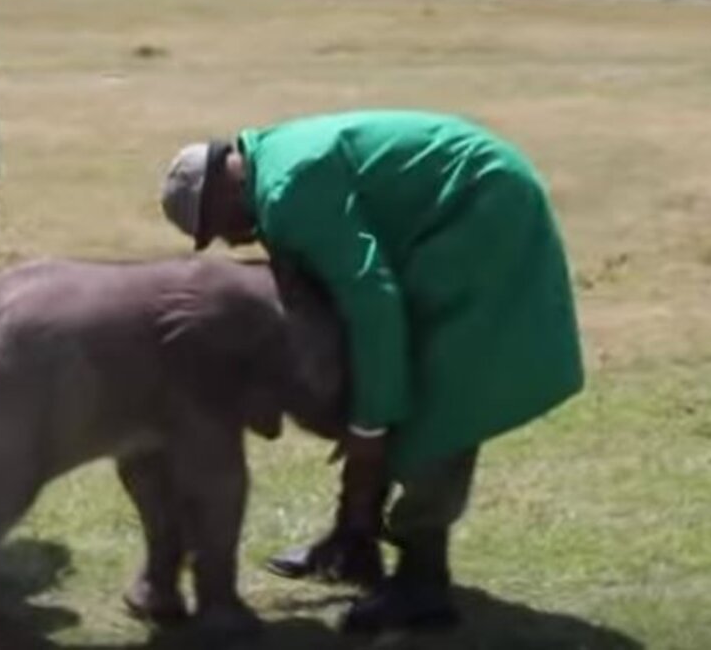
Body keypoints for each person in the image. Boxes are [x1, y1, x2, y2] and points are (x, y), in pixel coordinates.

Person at [158, 109, 584, 637]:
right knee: (384, 380)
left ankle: (422, 580)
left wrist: (370, 426)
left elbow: (373, 299)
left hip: (481, 210)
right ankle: (353, 541)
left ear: (227, 185)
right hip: (460, 205)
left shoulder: (289, 188)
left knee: (435, 392)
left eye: (218, 226)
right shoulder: (273, 169)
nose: (230, 241)